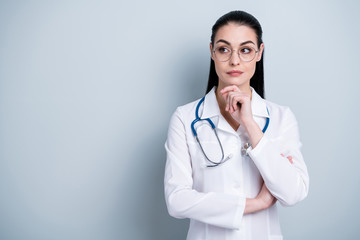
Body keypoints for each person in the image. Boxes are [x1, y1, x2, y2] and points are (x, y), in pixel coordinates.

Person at [164, 10, 309, 240]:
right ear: (211, 51)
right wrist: (256, 203)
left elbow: (293, 193)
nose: (234, 60)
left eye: (246, 50)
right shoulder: (185, 118)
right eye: (224, 49)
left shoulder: (281, 118)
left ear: (259, 53)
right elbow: (177, 201)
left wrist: (250, 124)